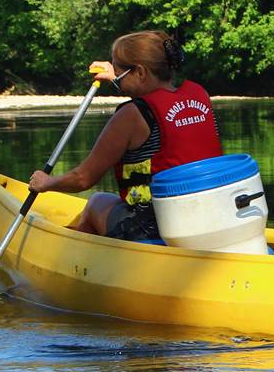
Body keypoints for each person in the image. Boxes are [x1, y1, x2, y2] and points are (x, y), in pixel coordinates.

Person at [29, 30, 223, 241]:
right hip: (205, 215)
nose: (118, 81)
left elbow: (83, 179)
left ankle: (81, 264)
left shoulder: (131, 115)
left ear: (140, 72)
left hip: (155, 225)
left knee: (96, 201)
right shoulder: (199, 95)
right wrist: (115, 77)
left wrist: (46, 182)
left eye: (120, 73)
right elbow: (154, 97)